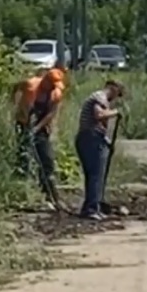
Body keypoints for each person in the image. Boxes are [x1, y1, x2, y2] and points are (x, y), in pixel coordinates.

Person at [74, 80, 125, 221]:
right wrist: (116, 112)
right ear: (113, 88)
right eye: (118, 94)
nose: (115, 98)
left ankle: (91, 206)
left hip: (91, 138)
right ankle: (91, 209)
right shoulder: (99, 97)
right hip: (91, 138)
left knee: (93, 175)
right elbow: (99, 115)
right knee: (96, 175)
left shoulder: (100, 98)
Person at [29, 67, 67, 206]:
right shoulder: (32, 87)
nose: (53, 87)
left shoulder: (55, 94)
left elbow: (51, 113)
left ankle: (50, 194)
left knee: (47, 162)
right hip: (26, 123)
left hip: (41, 128)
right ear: (45, 81)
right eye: (51, 84)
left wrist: (37, 128)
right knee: (26, 159)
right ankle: (34, 192)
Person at [11, 69, 44, 176]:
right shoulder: (31, 83)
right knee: (25, 144)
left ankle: (30, 170)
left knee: (30, 144)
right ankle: (25, 170)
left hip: (35, 119)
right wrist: (14, 102)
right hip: (24, 117)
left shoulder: (51, 88)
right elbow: (16, 87)